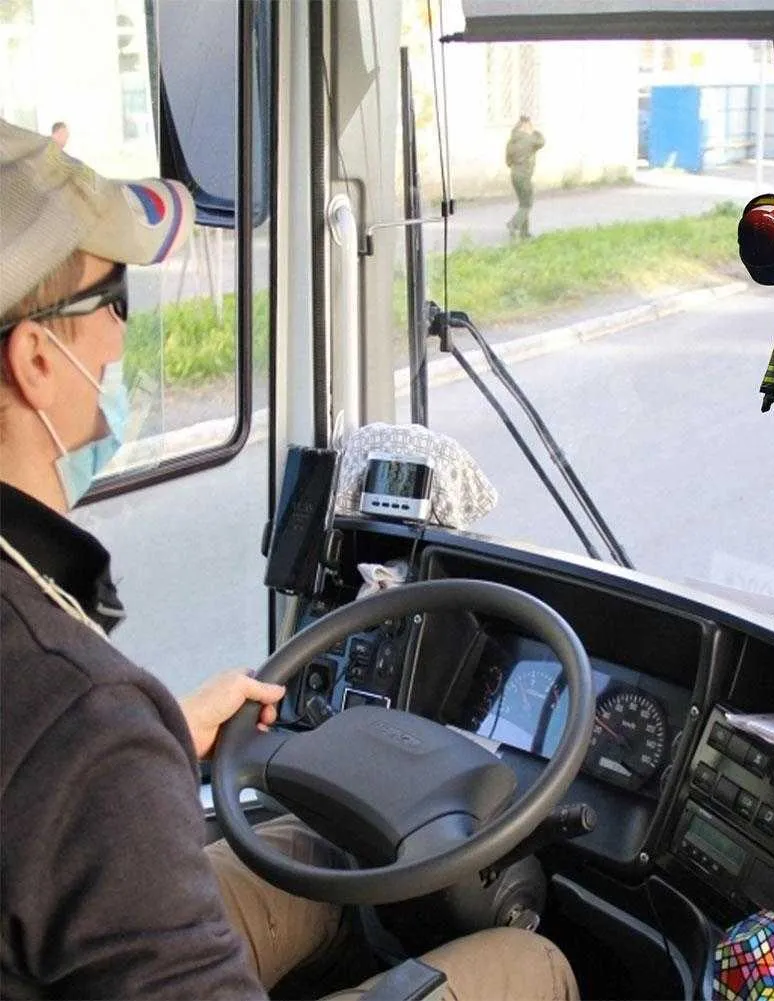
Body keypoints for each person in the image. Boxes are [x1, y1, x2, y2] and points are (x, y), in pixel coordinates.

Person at [0, 121, 579, 1000]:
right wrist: (116, 751)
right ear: (36, 360)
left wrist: (150, 735)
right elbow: (60, 740)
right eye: (113, 299)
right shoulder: (79, 716)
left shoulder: (81, 712)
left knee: (309, 858)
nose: (122, 339)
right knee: (531, 966)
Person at [505, 115, 545, 240]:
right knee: (527, 204)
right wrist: (534, 131)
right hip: (524, 176)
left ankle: (524, 233)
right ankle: (513, 224)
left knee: (523, 204)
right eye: (529, 125)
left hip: (514, 175)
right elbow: (541, 142)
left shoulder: (511, 141)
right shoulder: (529, 139)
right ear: (525, 126)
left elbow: (508, 161)